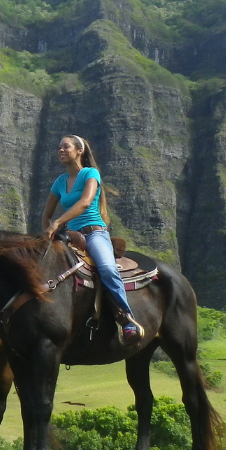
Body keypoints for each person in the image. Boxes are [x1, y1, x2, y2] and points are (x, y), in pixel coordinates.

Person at [41, 136, 144, 344]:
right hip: (71, 236)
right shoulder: (59, 182)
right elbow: (46, 215)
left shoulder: (90, 173)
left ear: (79, 150)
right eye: (58, 146)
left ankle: (126, 319)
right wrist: (49, 232)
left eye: (65, 146)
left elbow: (85, 202)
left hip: (94, 233)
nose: (60, 150)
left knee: (106, 268)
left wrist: (57, 222)